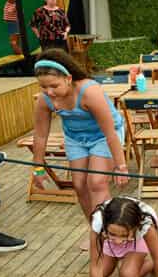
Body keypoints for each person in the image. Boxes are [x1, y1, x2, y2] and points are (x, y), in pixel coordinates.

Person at [31, 48, 128, 246]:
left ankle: (108, 234)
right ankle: (96, 231)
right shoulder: (44, 99)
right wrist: (38, 168)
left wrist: (121, 166)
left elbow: (110, 133)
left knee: (97, 182)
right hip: (76, 139)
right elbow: (40, 135)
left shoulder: (90, 92)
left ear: (68, 78)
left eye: (54, 86)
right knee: (79, 184)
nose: (49, 92)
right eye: (43, 87)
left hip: (103, 136)